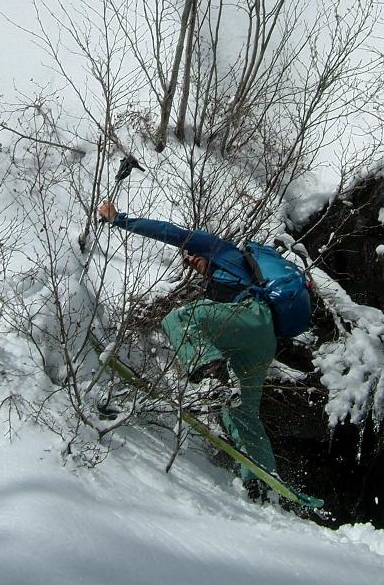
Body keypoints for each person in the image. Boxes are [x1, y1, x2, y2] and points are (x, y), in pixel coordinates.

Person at [97, 200, 278, 483]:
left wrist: (120, 220)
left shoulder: (220, 249)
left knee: (177, 319)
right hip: (260, 339)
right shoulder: (221, 283)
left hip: (253, 316)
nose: (190, 259)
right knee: (241, 413)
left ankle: (211, 380)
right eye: (186, 259)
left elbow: (169, 231)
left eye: (192, 253)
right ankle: (263, 481)